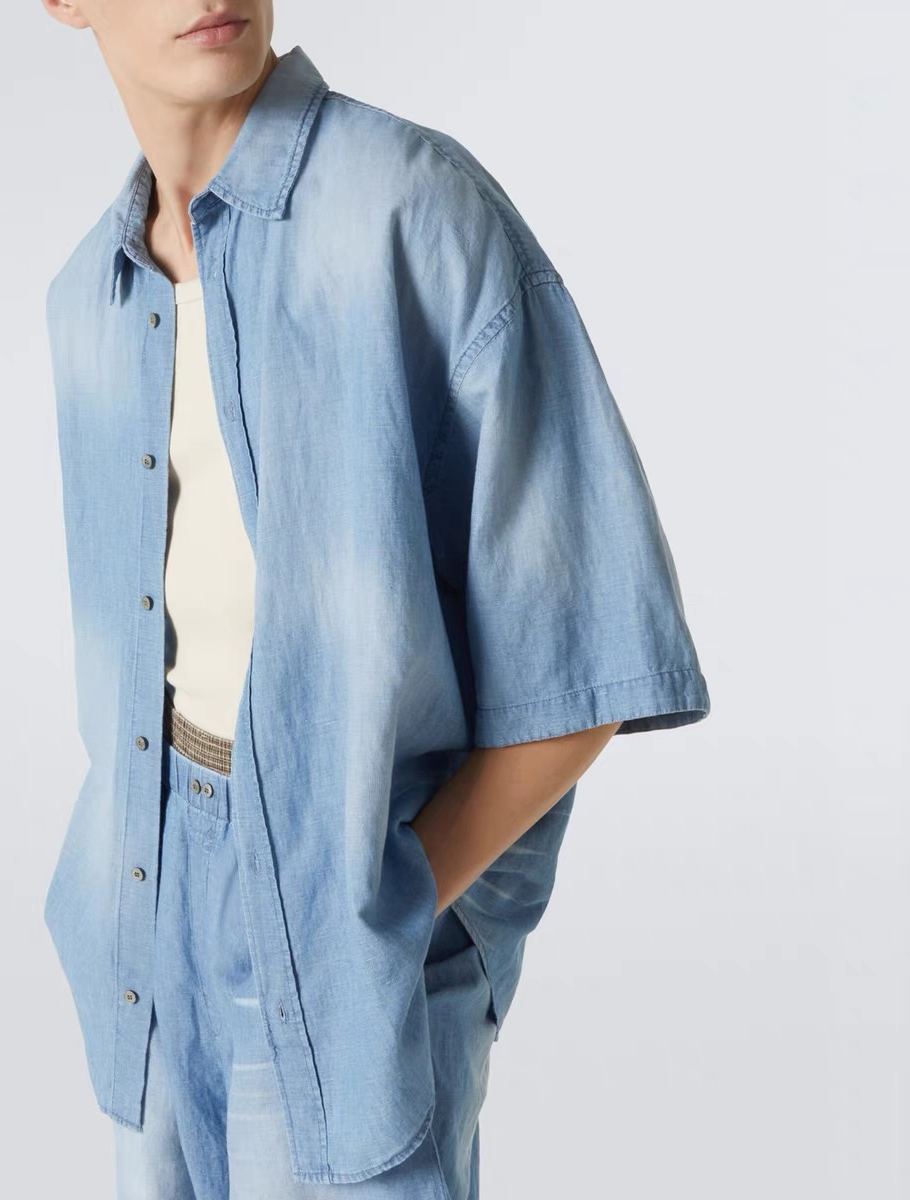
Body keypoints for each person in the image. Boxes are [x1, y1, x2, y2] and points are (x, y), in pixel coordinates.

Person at [38, 4, 711, 1197]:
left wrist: (385, 904)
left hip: (353, 903)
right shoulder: (93, 293)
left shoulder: (414, 209)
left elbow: (591, 646)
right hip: (142, 928)